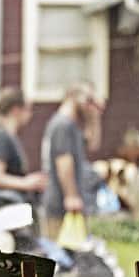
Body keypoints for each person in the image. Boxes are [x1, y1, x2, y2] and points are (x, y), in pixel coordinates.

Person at [40, 82, 105, 239]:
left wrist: (94, 117)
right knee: (57, 256)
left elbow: (92, 144)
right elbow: (63, 162)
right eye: (89, 99)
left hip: (67, 202)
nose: (91, 104)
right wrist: (71, 196)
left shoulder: (72, 126)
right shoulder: (62, 125)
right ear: (74, 97)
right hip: (59, 202)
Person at [0, 87, 47, 202]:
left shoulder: (8, 137)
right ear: (16, 110)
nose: (30, 115)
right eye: (28, 109)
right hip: (1, 210)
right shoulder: (1, 137)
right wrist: (26, 182)